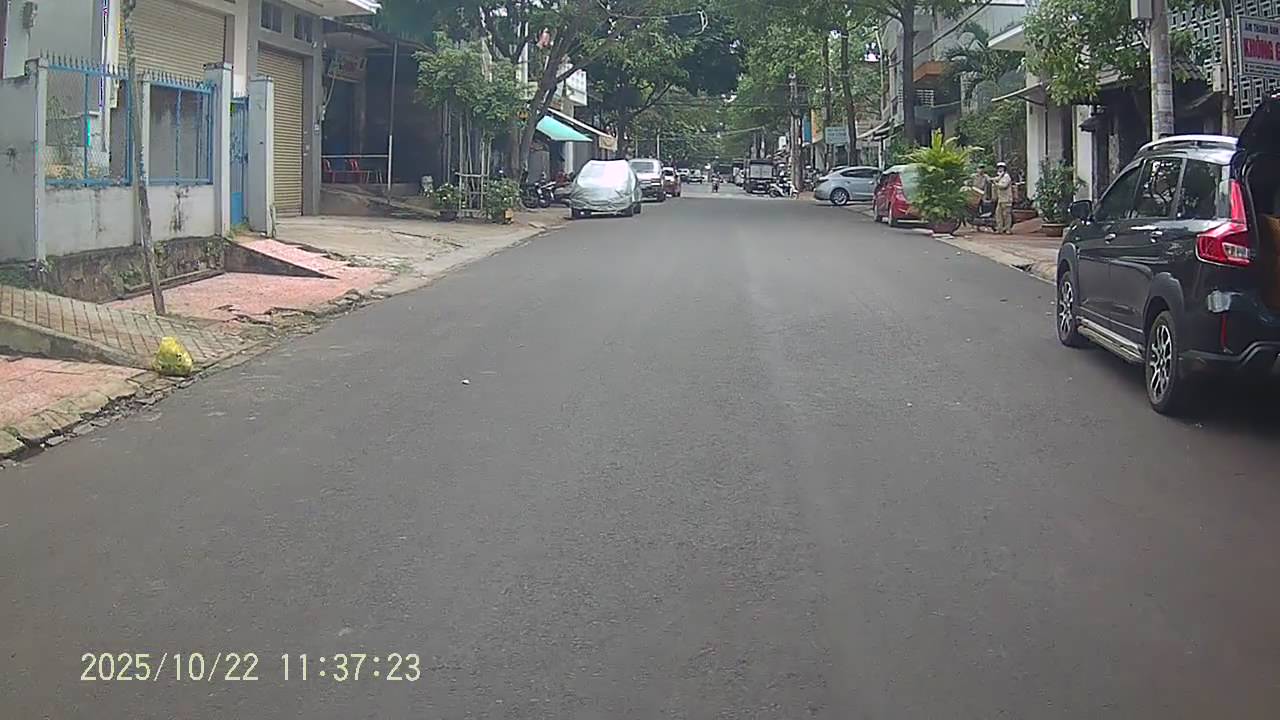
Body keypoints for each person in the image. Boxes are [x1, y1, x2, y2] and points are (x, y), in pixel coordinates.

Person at [993, 161, 1014, 234]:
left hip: (1007, 199)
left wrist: (996, 184)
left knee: (1006, 215)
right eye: (999, 168)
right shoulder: (1000, 176)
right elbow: (995, 179)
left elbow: (1003, 186)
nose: (1000, 169)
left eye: (1001, 167)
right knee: (998, 214)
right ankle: (1000, 228)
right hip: (1000, 199)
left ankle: (1008, 229)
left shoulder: (1006, 176)